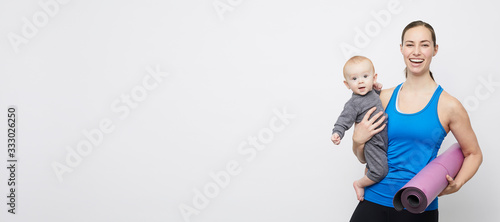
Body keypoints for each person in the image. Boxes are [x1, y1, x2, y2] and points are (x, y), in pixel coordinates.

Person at [348, 20, 483, 222]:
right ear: (401, 49)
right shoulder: (382, 98)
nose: (416, 52)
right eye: (410, 44)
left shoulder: (449, 105)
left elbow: (473, 153)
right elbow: (364, 158)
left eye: (424, 44)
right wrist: (357, 141)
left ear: (435, 50)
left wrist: (459, 182)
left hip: (416, 205)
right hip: (373, 200)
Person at [331, 56, 388, 201]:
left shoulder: (373, 93)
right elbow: (344, 119)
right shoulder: (353, 103)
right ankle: (359, 184)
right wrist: (337, 132)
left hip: (384, 140)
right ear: (347, 84)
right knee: (380, 172)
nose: (361, 81)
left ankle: (368, 173)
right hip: (372, 143)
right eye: (354, 79)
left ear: (373, 78)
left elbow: (378, 94)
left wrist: (377, 87)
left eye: (365, 76)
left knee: (379, 165)